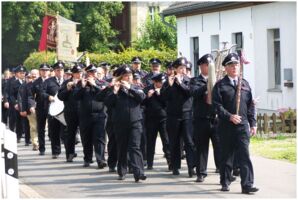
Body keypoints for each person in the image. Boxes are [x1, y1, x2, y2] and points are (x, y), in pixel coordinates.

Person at [212, 52, 259, 194]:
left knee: (244, 155)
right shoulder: (220, 85)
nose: (234, 67)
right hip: (226, 125)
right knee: (227, 155)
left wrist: (253, 123)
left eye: (236, 65)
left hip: (243, 125)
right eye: (231, 65)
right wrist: (229, 116)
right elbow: (217, 106)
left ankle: (247, 185)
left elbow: (250, 105)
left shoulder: (244, 84)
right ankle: (225, 182)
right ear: (225, 68)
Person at [105, 65, 147, 182]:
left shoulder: (136, 87)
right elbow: (108, 103)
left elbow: (142, 97)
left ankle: (139, 172)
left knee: (135, 147)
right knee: (122, 147)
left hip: (135, 121)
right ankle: (122, 171)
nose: (128, 78)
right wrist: (114, 91)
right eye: (126, 76)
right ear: (121, 78)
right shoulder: (115, 89)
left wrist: (130, 88)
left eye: (130, 75)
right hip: (119, 122)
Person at [161, 57, 196, 177]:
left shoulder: (189, 80)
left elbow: (189, 92)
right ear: (175, 69)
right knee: (174, 142)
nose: (183, 70)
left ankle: (192, 167)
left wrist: (180, 83)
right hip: (173, 116)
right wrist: (170, 85)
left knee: (189, 142)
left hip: (187, 115)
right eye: (180, 68)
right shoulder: (168, 81)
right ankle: (175, 166)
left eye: (184, 68)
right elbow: (163, 97)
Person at [190, 54, 221, 182]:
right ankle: (201, 172)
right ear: (201, 66)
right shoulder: (195, 80)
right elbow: (194, 93)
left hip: (216, 118)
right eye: (207, 65)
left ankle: (222, 169)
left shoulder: (219, 81)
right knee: (201, 147)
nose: (209, 67)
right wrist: (208, 84)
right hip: (201, 118)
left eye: (211, 65)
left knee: (219, 145)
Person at [73, 64, 108, 168]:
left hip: (99, 115)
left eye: (94, 72)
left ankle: (101, 160)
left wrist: (94, 85)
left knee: (99, 138)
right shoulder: (81, 84)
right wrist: (83, 87)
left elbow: (105, 95)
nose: (92, 74)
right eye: (90, 72)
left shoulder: (102, 83)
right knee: (86, 138)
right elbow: (75, 96)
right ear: (87, 73)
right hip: (85, 115)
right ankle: (87, 158)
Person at [143, 73, 171, 170]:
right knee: (150, 141)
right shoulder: (147, 89)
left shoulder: (165, 89)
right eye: (160, 82)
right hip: (151, 119)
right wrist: (148, 96)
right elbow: (142, 103)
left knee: (166, 141)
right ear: (155, 82)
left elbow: (167, 102)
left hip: (163, 118)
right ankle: (149, 163)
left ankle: (170, 162)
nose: (162, 84)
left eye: (163, 82)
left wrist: (159, 94)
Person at [58, 63, 83, 162]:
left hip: (83, 111)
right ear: (73, 74)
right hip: (70, 111)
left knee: (85, 134)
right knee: (70, 133)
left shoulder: (85, 82)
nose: (79, 75)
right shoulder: (66, 83)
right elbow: (60, 96)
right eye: (76, 73)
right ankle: (70, 153)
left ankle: (87, 156)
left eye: (80, 72)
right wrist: (68, 89)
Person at [41, 61, 66, 159]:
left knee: (66, 132)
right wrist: (48, 97)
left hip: (65, 110)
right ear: (54, 71)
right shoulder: (48, 81)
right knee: (54, 131)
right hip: (53, 110)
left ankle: (69, 152)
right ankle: (55, 151)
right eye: (57, 70)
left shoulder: (67, 81)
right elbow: (42, 92)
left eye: (61, 70)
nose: (60, 72)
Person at [31, 63, 51, 155]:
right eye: (43, 70)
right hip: (41, 107)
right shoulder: (35, 83)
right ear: (40, 71)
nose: (45, 72)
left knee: (53, 128)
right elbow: (31, 96)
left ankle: (55, 148)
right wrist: (31, 105)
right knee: (41, 129)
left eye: (46, 70)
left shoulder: (52, 81)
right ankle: (42, 148)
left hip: (52, 107)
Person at [8, 65, 27, 143]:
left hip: (26, 105)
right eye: (20, 73)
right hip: (17, 105)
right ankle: (18, 136)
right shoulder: (13, 83)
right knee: (18, 121)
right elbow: (11, 95)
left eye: (23, 73)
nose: (22, 74)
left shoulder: (27, 82)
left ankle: (27, 138)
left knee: (26, 121)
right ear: (17, 74)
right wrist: (15, 103)